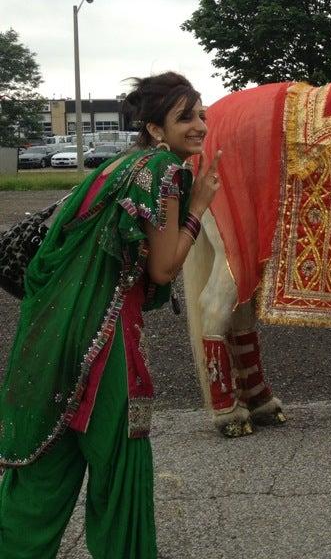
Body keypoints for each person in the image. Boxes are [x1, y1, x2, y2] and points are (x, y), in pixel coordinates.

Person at [0, 72, 222, 558]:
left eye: (202, 113)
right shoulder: (165, 171)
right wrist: (198, 207)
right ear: (156, 130)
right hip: (106, 342)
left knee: (44, 470)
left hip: (52, 334)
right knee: (121, 465)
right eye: (186, 117)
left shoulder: (117, 167)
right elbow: (163, 269)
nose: (201, 125)